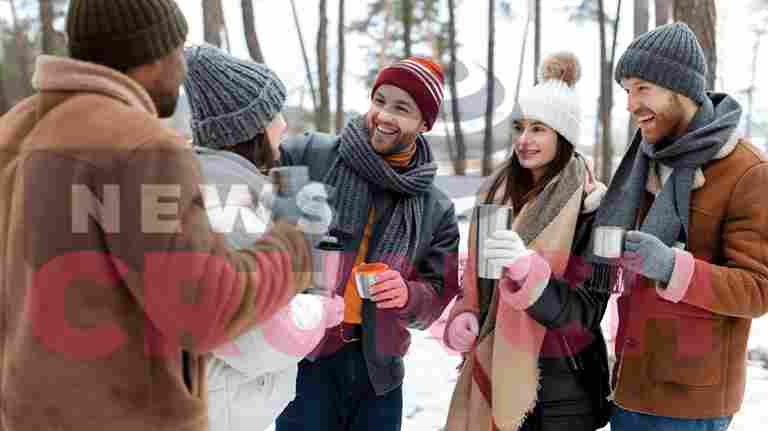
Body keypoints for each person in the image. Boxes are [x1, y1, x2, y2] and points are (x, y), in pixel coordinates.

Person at [0, 1, 320, 430]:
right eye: (176, 52)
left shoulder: (14, 130)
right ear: (151, 56)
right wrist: (295, 243)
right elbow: (207, 307)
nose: (182, 71)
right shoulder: (140, 145)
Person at [591, 22, 768, 431]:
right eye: (627, 91)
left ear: (680, 89)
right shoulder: (641, 162)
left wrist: (674, 268)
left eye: (642, 88)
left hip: (691, 403)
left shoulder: (746, 172)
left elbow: (759, 289)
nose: (631, 104)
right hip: (630, 386)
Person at [274, 57, 460, 431]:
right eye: (380, 100)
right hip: (305, 359)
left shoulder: (435, 206)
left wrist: (408, 295)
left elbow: (439, 292)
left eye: (401, 108)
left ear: (425, 123)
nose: (384, 115)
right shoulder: (313, 155)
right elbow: (254, 166)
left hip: (379, 373)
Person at [444, 52, 611, 431]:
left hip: (561, 393)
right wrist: (465, 315)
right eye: (519, 126)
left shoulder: (594, 208)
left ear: (563, 136)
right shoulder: (495, 194)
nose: (524, 139)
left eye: (539, 128)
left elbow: (584, 315)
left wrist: (529, 274)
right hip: (490, 370)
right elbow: (476, 283)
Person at [182, 44, 343, 431]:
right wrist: (321, 310)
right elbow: (262, 337)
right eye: (274, 114)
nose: (284, 125)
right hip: (218, 412)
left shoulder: (208, 184)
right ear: (249, 127)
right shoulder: (230, 205)